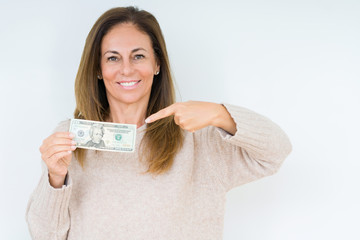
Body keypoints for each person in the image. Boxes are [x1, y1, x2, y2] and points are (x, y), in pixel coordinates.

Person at [25, 6, 292, 240]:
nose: (126, 69)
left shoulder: (198, 139)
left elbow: (276, 151)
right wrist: (55, 179)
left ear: (157, 64)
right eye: (112, 57)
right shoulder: (71, 139)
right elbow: (45, 236)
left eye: (138, 56)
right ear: (98, 68)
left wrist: (218, 113)